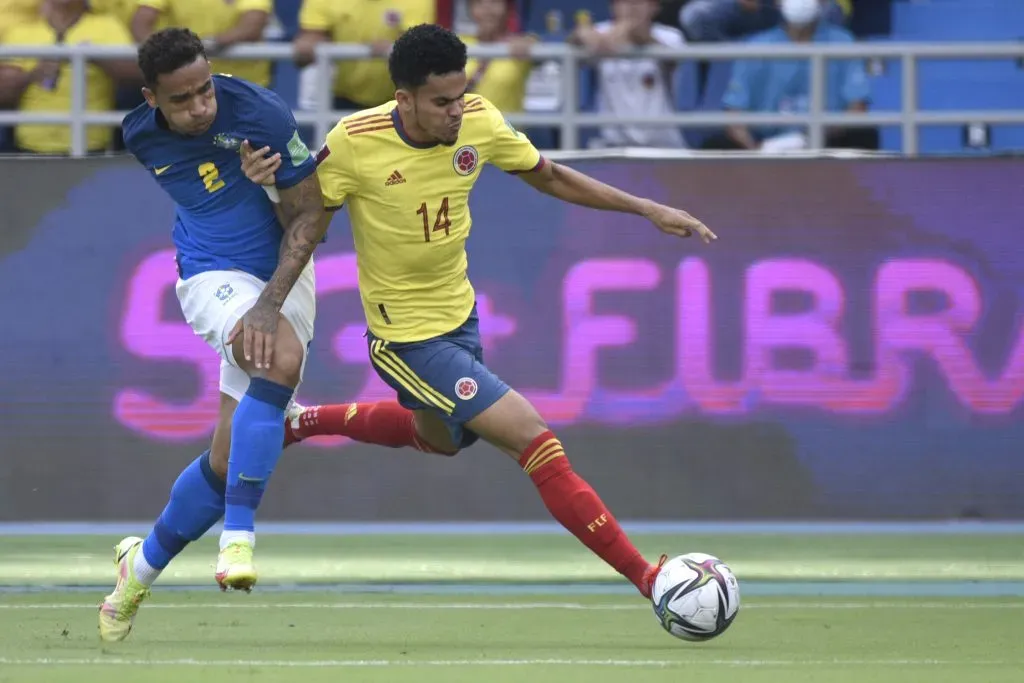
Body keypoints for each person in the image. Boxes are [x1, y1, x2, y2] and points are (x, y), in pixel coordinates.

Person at [241, 23, 717, 602]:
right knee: (533, 438)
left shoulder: (480, 120)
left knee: (439, 438)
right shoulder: (353, 142)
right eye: (441, 103)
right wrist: (266, 257)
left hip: (460, 321)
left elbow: (550, 176)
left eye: (459, 98)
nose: (454, 114)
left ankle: (304, 421)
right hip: (406, 342)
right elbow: (303, 221)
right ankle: (649, 580)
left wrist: (646, 208)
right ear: (404, 99)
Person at [99, 27, 326, 642]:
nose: (201, 107)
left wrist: (273, 183)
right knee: (278, 358)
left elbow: (310, 217)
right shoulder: (140, 136)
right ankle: (238, 539)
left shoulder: (262, 114)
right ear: (151, 99)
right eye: (183, 99)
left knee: (228, 461)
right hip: (209, 274)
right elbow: (206, 198)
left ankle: (135, 574)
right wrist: (240, 176)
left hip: (282, 275)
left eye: (206, 91)